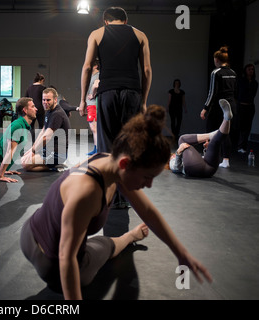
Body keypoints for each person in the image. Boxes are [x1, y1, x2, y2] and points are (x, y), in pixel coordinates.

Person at [20, 105, 212, 300]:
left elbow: (147, 211)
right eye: (147, 177)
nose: (150, 185)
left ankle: (128, 236)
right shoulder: (86, 193)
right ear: (125, 165)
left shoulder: (108, 161)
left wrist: (181, 253)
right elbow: (66, 259)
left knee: (94, 244)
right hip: (50, 262)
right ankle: (129, 237)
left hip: (34, 232)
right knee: (100, 252)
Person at [79, 6, 151, 208]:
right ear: (125, 21)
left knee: (107, 146)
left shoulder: (97, 33)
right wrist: (144, 101)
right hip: (132, 93)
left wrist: (83, 100)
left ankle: (110, 196)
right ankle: (126, 197)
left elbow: (86, 67)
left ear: (106, 21)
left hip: (107, 92)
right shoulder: (140, 35)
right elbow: (146, 70)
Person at [170, 99, 232, 178]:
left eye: (172, 155)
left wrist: (206, 150)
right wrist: (178, 152)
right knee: (182, 140)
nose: (172, 155)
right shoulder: (172, 161)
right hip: (195, 169)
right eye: (171, 156)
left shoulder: (188, 157)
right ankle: (211, 134)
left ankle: (226, 118)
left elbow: (202, 160)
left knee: (215, 142)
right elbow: (176, 169)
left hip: (210, 169)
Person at [200, 46, 237, 168]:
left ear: (216, 59)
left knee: (210, 130)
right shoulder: (233, 73)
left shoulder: (215, 73)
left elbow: (212, 92)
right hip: (231, 105)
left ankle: (207, 155)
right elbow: (234, 91)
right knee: (225, 132)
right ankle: (226, 160)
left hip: (219, 106)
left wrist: (205, 108)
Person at [22, 87, 71, 172]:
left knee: (26, 164)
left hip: (57, 154)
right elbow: (43, 131)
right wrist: (32, 148)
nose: (45, 102)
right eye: (43, 100)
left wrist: (33, 151)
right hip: (48, 150)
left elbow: (46, 137)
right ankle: (54, 165)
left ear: (55, 100)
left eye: (48, 100)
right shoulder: (49, 111)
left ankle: (56, 166)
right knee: (24, 159)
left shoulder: (57, 114)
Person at [236, 64, 258, 154]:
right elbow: (238, 93)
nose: (251, 71)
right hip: (241, 106)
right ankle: (238, 145)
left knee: (247, 127)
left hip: (250, 106)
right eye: (249, 69)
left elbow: (253, 95)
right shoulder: (241, 81)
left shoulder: (255, 82)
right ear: (245, 70)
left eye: (252, 69)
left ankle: (243, 146)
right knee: (240, 126)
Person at [25, 73, 46, 140]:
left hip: (31, 109)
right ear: (41, 80)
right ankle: (39, 140)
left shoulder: (29, 88)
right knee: (41, 126)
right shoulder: (43, 88)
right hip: (40, 109)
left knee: (31, 126)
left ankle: (33, 141)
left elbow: (26, 98)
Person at [86, 60, 100, 155]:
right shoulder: (91, 76)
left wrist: (92, 94)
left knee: (94, 128)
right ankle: (96, 148)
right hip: (91, 104)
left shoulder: (98, 75)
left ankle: (97, 149)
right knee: (94, 128)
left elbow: (96, 85)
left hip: (93, 104)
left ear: (95, 66)